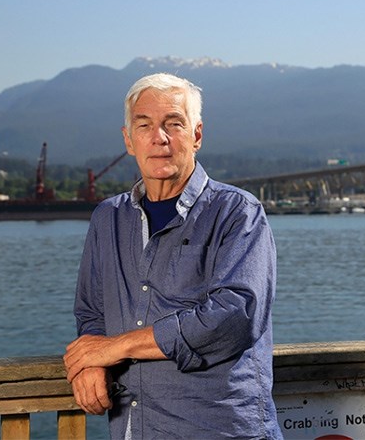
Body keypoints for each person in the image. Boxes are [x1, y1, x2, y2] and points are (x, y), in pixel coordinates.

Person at [63, 73, 282, 439]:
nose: (158, 138)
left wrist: (114, 348)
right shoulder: (108, 218)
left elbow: (235, 316)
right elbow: (91, 312)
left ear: (197, 135)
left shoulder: (238, 212)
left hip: (220, 430)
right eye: (144, 124)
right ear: (128, 140)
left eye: (173, 124)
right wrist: (89, 364)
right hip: (136, 429)